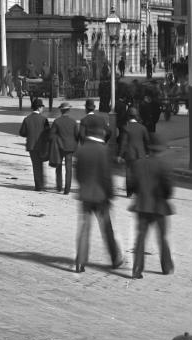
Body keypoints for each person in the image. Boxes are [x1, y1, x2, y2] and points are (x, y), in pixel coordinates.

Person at [73, 113, 124, 273]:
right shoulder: (103, 151)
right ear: (100, 132)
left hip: (86, 195)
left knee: (84, 227)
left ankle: (80, 261)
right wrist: (110, 194)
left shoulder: (81, 150)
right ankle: (115, 258)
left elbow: (78, 175)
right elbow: (106, 177)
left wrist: (83, 186)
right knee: (107, 229)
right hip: (101, 196)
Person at [128, 133, 175, 279]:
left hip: (142, 205)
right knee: (162, 237)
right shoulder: (164, 165)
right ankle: (166, 266)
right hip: (159, 205)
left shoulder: (138, 163)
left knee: (141, 237)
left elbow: (132, 185)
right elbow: (168, 188)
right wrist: (165, 197)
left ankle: (136, 269)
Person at [18, 98, 50, 191]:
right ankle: (42, 184)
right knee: (41, 164)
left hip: (31, 146)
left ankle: (38, 185)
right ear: (39, 108)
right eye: (42, 107)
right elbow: (48, 133)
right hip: (42, 146)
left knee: (35, 165)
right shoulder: (44, 119)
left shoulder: (27, 119)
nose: (43, 109)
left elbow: (22, 132)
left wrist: (29, 134)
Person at [50, 101, 79, 194]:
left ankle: (59, 186)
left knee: (58, 167)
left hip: (59, 147)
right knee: (69, 168)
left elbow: (51, 135)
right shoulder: (73, 121)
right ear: (69, 110)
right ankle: (67, 189)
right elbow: (77, 135)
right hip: (70, 148)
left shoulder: (57, 121)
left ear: (61, 111)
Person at [120, 107, 149, 197]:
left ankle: (129, 192)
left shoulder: (126, 128)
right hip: (140, 154)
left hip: (129, 154)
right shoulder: (143, 128)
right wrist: (147, 153)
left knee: (129, 173)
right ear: (137, 116)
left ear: (128, 117)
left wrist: (120, 155)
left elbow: (123, 143)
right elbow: (147, 141)